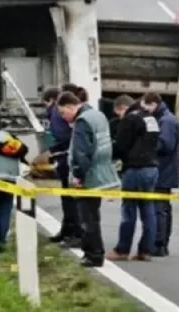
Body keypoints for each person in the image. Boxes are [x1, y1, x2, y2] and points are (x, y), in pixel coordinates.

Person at [58, 91, 120, 267]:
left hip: (89, 176)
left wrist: (78, 175)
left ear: (71, 106)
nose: (63, 117)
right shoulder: (98, 115)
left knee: (87, 218)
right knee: (93, 215)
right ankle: (95, 252)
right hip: (101, 171)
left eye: (63, 112)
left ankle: (93, 255)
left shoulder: (82, 121)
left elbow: (81, 152)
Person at [107, 93, 160, 262]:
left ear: (123, 108)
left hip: (135, 169)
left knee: (128, 211)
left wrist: (112, 156)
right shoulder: (150, 118)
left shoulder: (129, 119)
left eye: (118, 113)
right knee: (148, 210)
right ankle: (146, 250)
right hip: (152, 168)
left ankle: (122, 250)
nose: (119, 117)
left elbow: (121, 146)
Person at [44, 85, 83, 246]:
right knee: (67, 197)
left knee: (70, 199)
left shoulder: (55, 113)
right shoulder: (62, 113)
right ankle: (67, 229)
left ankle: (74, 232)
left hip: (64, 157)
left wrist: (52, 149)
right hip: (65, 157)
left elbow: (61, 136)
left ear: (51, 100)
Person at [143, 93, 179, 257]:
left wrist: (147, 144)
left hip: (163, 170)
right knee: (163, 208)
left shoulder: (165, 121)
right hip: (166, 169)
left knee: (160, 209)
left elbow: (165, 145)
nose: (146, 110)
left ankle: (159, 244)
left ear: (153, 104)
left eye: (147, 106)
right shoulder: (165, 118)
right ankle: (161, 243)